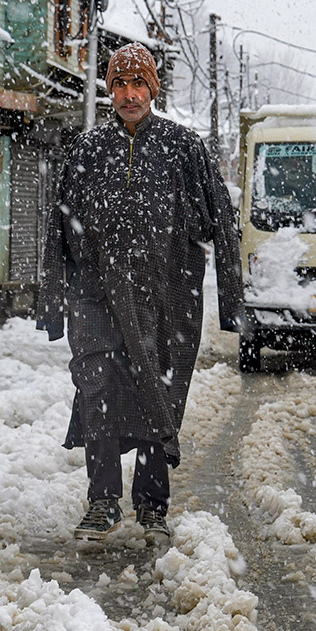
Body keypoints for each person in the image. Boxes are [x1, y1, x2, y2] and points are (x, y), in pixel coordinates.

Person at [37, 42, 242, 544]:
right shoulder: (86, 150)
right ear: (110, 90)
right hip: (95, 294)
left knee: (157, 391)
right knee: (97, 388)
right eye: (120, 85)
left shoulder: (183, 147)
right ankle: (103, 501)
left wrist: (230, 302)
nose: (129, 94)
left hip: (165, 297)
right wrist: (52, 302)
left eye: (138, 84)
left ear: (153, 88)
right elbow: (57, 229)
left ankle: (151, 505)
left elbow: (223, 219)